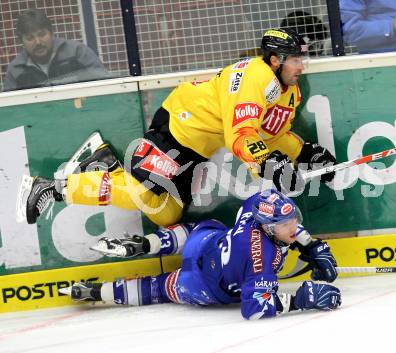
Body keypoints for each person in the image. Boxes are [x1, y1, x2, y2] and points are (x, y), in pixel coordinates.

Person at [20, 27, 336, 228]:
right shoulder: (257, 75)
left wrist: (304, 153)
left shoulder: (288, 92)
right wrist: (270, 164)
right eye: (295, 59)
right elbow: (240, 135)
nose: (301, 65)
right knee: (146, 194)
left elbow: (273, 135)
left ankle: (104, 166)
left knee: (168, 215)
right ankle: (53, 188)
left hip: (196, 150)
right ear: (275, 60)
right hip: (177, 128)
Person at [60, 189, 341, 320]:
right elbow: (254, 309)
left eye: (294, 220)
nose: (295, 227)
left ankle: (147, 245)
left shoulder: (257, 209)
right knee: (157, 288)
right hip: (201, 286)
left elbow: (266, 201)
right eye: (287, 225)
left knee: (194, 232)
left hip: (204, 242)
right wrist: (301, 299)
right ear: (268, 227)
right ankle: (99, 292)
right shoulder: (260, 262)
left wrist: (310, 244)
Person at [3, 8, 110, 91]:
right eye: (30, 38)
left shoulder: (78, 52)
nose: (38, 42)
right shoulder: (15, 70)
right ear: (22, 42)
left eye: (42, 34)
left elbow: (105, 86)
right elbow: (12, 111)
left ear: (52, 33)